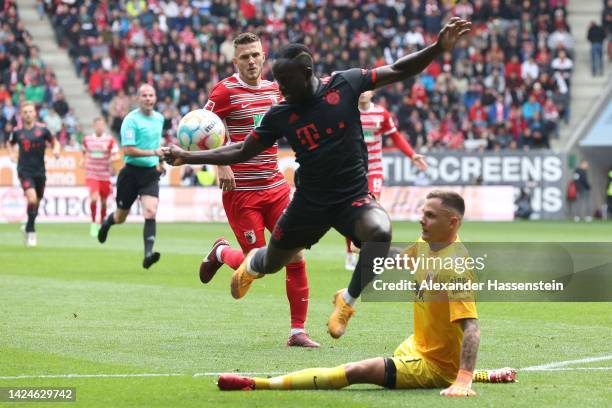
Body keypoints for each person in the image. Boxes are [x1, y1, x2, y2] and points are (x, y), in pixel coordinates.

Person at [163, 18, 472, 339]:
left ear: (306, 74)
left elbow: (397, 70)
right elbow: (241, 150)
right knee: (270, 262)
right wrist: (188, 157)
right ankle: (245, 264)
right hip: (308, 203)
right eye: (277, 81)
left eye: (284, 81)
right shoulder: (281, 113)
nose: (278, 89)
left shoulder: (345, 84)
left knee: (378, 234)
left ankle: (339, 305)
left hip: (350, 196)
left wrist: (437, 48)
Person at [216, 191, 516, 396]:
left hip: (432, 365)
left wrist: (462, 381)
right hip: (418, 345)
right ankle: (482, 373)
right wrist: (371, 246)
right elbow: (400, 258)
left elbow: (472, 328)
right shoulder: (429, 245)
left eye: (430, 216)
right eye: (422, 213)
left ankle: (256, 384)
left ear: (453, 222)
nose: (421, 220)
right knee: (384, 363)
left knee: (357, 371)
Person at [197, 32, 317, 348]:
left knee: (294, 255)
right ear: (235, 61)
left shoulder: (276, 90)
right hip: (242, 191)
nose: (251, 61)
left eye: (256, 55)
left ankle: (297, 332)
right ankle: (221, 252)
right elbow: (202, 126)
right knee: (259, 264)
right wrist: (221, 163)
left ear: (264, 57)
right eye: (245, 56)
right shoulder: (225, 91)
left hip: (275, 187)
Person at [344, 90, 428, 271]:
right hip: (353, 169)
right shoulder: (348, 111)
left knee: (371, 209)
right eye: (359, 90)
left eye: (365, 90)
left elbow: (395, 136)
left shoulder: (381, 114)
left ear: (373, 92)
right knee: (352, 211)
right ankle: (351, 252)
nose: (362, 93)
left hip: (374, 169)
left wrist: (412, 155)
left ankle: (365, 251)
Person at [97, 84, 165, 269]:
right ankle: (107, 223)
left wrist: (160, 162)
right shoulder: (130, 120)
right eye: (144, 95)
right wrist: (154, 152)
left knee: (151, 210)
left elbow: (156, 143)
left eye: (151, 95)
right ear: (137, 99)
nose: (148, 98)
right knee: (121, 217)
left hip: (150, 173)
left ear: (155, 98)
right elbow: (128, 150)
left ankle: (148, 254)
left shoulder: (159, 118)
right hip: (130, 173)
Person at [7, 101, 60, 247]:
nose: (28, 114)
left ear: (35, 113)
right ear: (21, 115)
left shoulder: (43, 130)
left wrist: (56, 150)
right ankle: (31, 232)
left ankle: (28, 225)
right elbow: (9, 143)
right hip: (24, 171)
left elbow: (55, 142)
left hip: (40, 172)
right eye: (25, 112)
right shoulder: (17, 132)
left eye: (30, 111)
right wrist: (11, 154)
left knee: (36, 202)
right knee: (31, 199)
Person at [81, 117, 119, 237]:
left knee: (103, 202)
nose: (99, 127)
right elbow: (84, 151)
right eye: (97, 125)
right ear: (94, 126)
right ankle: (93, 223)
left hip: (105, 176)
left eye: (101, 125)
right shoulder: (87, 139)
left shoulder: (109, 140)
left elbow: (116, 154)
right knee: (94, 198)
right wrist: (82, 160)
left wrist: (113, 158)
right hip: (92, 174)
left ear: (104, 126)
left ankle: (102, 223)